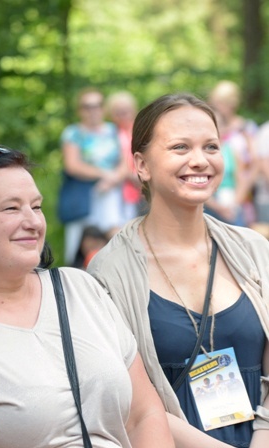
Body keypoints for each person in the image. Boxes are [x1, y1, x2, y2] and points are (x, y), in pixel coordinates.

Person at [0, 145, 174, 447]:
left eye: (36, 207)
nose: (33, 222)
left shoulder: (81, 289)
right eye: (11, 208)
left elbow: (144, 415)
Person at [88, 93, 269, 447]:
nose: (199, 160)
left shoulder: (255, 250)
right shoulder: (109, 273)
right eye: (180, 147)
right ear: (142, 165)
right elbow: (124, 402)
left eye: (211, 147)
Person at [60, 87, 128, 265]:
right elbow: (72, 165)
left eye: (97, 105)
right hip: (83, 196)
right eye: (87, 106)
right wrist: (104, 174)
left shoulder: (113, 131)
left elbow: (125, 161)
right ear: (80, 110)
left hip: (112, 194)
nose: (93, 110)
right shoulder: (73, 133)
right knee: (78, 244)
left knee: (116, 238)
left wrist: (113, 179)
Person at [208, 80, 258, 225]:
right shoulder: (211, 123)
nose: (219, 107)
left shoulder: (245, 128)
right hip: (214, 196)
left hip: (238, 191)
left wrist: (238, 198)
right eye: (216, 102)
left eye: (223, 103)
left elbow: (254, 163)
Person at [106, 91, 144, 220]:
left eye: (126, 111)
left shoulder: (142, 130)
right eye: (118, 112)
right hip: (119, 188)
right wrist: (130, 175)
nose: (123, 116)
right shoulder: (110, 133)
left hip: (143, 185)